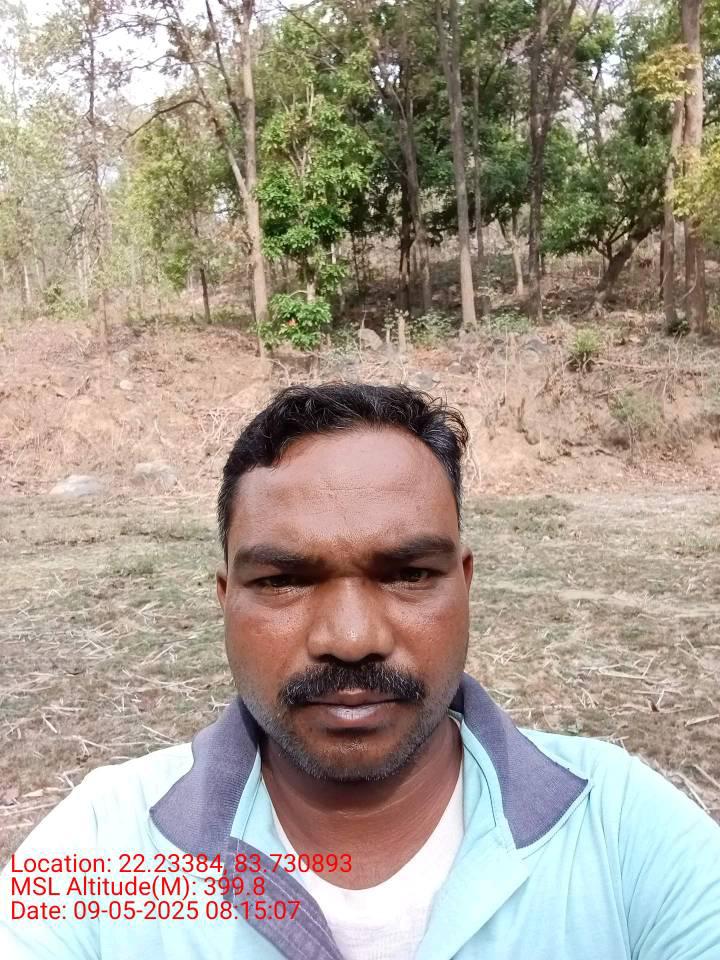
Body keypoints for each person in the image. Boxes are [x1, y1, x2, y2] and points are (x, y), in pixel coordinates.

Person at [1, 381, 719, 960]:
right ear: (226, 600)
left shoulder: (622, 828)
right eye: (283, 581)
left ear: (464, 584)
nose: (350, 640)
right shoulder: (101, 847)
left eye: (408, 573)